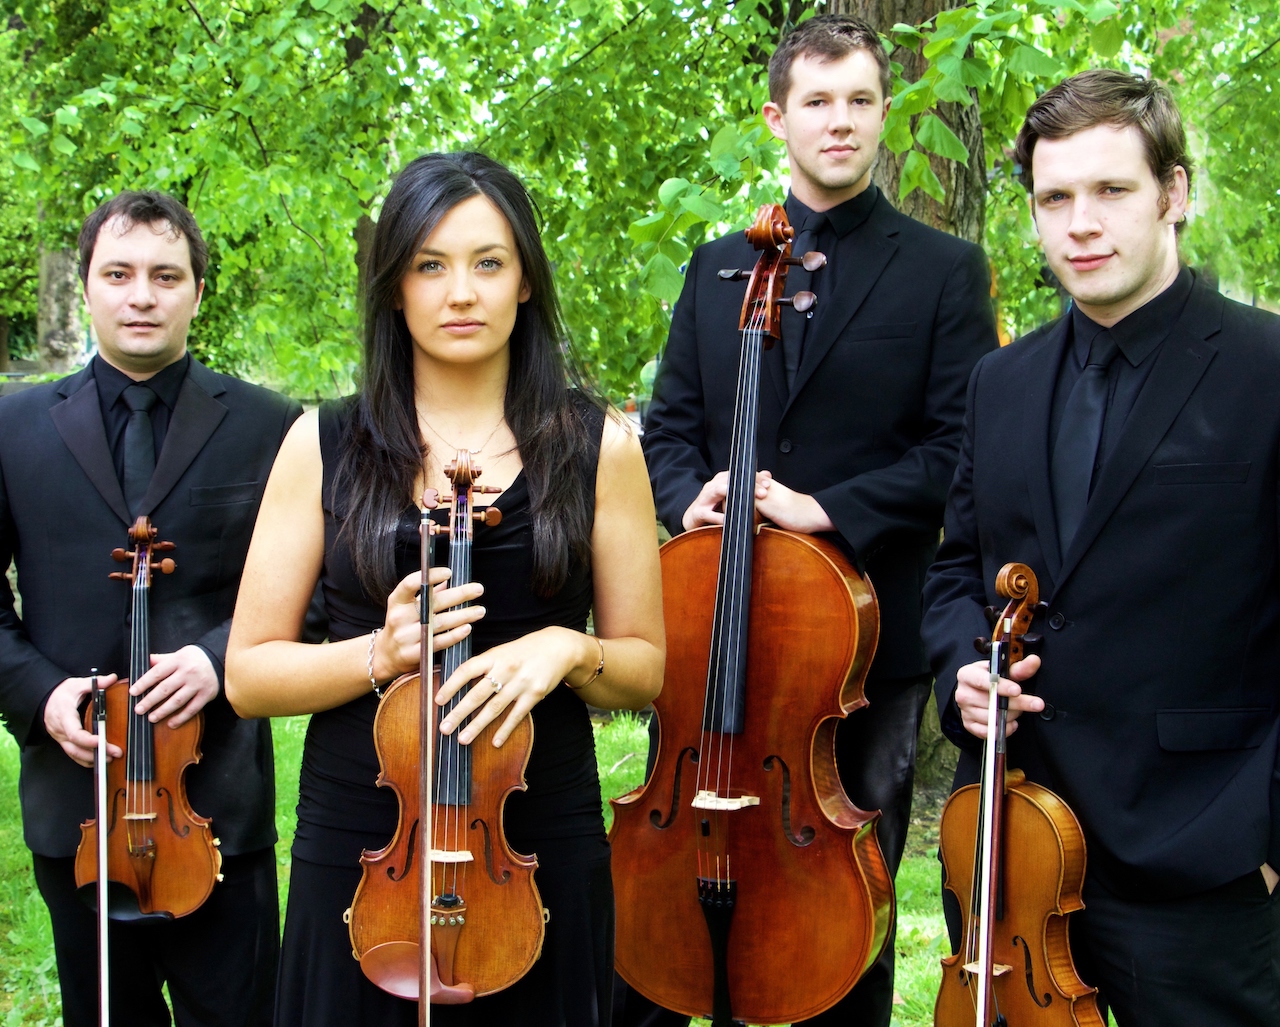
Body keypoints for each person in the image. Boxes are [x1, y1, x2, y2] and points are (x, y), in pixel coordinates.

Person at [225, 151, 665, 1027]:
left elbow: (645, 668)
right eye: (430, 265)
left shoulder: (599, 445)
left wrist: (570, 649)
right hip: (367, 833)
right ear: (395, 288)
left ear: (527, 283)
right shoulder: (323, 442)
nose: (460, 291)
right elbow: (248, 674)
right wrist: (376, 653)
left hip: (537, 835)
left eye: (488, 262)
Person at [635, 14, 997, 1025]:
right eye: (816, 101)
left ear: (883, 113)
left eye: (858, 100)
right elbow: (667, 429)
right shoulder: (716, 266)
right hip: (716, 633)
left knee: (839, 906)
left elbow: (958, 449)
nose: (838, 122)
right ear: (775, 117)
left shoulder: (940, 272)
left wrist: (826, 509)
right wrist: (688, 492)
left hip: (855, 654)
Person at [922, 69, 1280, 1026]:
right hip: (1015, 837)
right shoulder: (998, 381)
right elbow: (959, 568)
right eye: (1055, 198)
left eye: (1111, 191)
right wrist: (965, 665)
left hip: (1202, 852)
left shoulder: (1267, 368)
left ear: (1174, 194)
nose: (1081, 222)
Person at [0, 191, 299, 1026]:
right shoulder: (11, 425)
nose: (142, 295)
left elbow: (315, 587)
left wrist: (218, 656)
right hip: (78, 807)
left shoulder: (270, 426)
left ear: (198, 291)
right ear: (87, 287)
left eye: (166, 275)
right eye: (119, 273)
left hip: (219, 806)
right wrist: (40, 691)